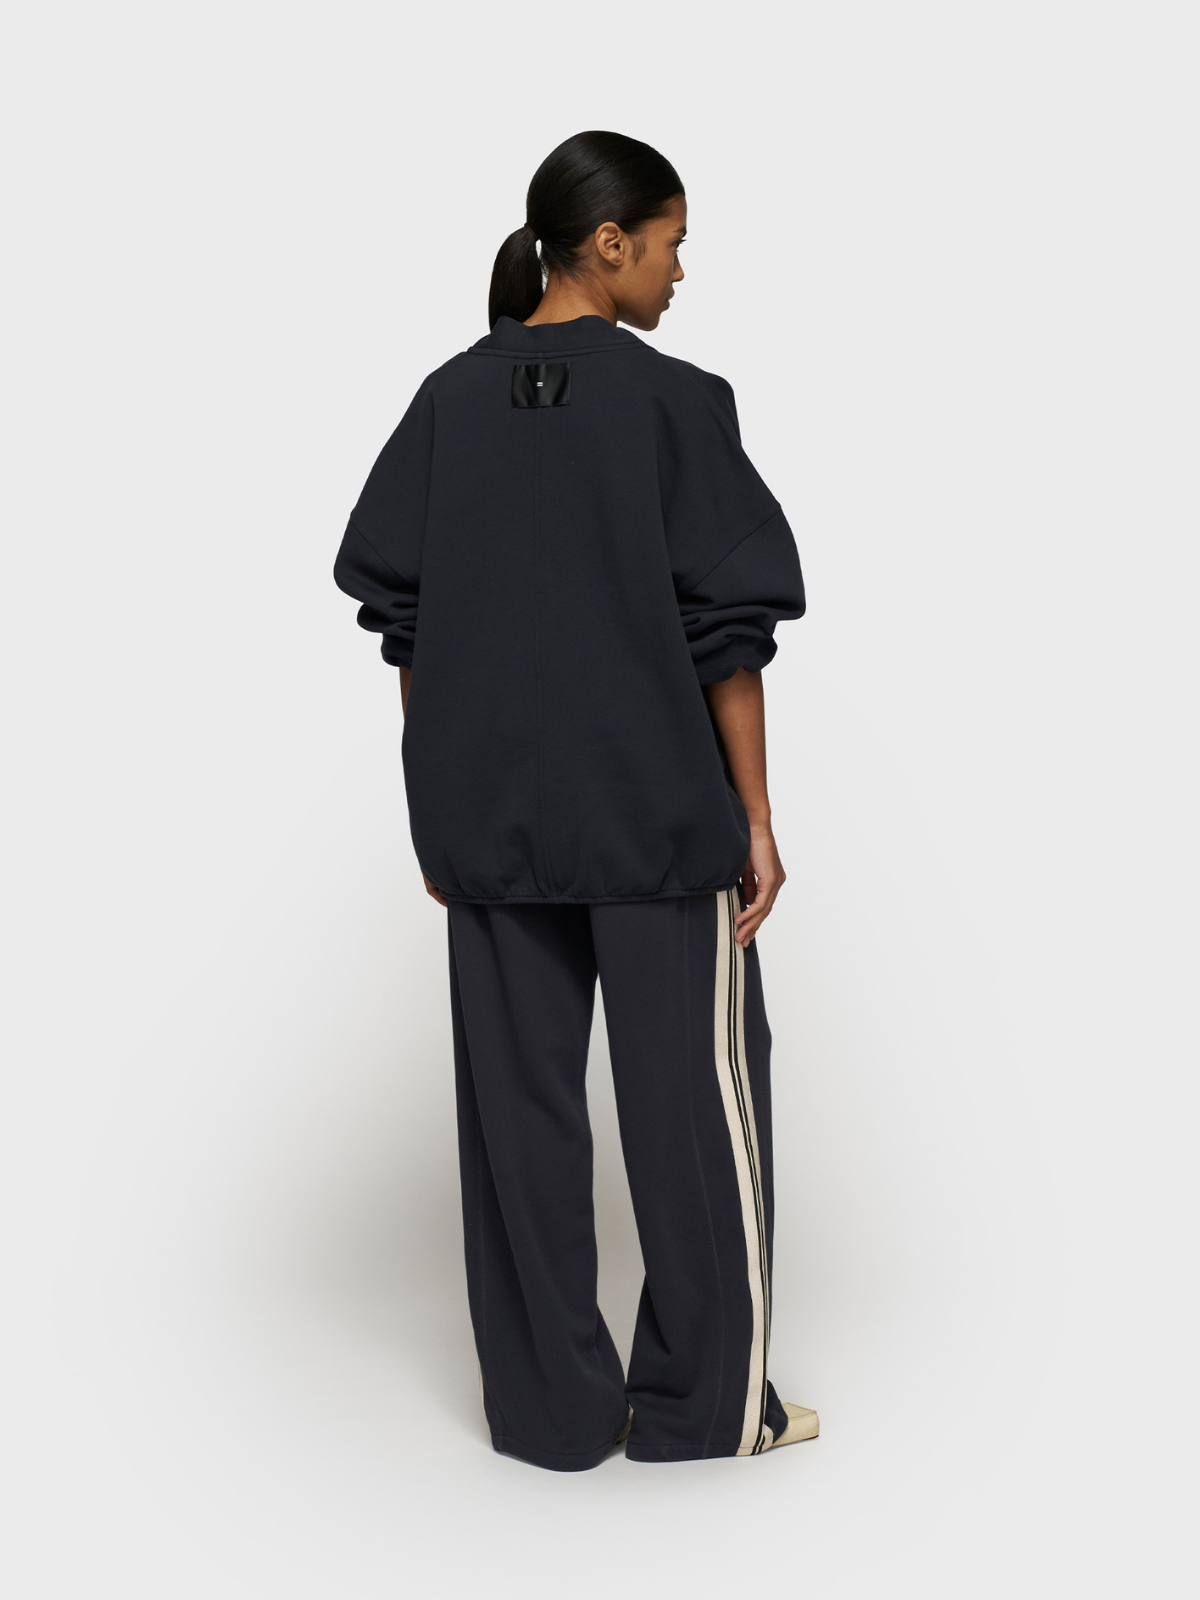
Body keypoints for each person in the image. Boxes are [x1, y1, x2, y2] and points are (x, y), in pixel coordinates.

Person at [334, 130, 816, 1470]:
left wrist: (444, 799)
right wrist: (756, 819)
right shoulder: (673, 402)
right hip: (658, 821)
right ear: (608, 244)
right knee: (696, 1124)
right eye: (671, 244)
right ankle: (705, 1408)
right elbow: (729, 634)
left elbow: (403, 619)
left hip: (490, 829)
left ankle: (553, 1415)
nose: (679, 272)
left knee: (518, 1128)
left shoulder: (445, 401)